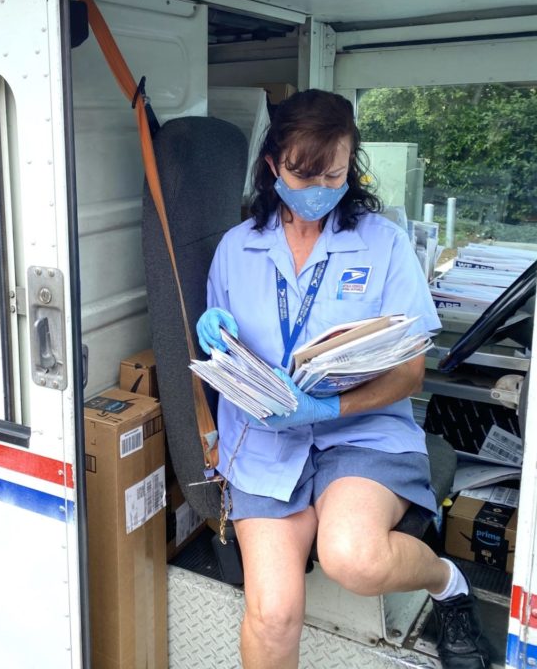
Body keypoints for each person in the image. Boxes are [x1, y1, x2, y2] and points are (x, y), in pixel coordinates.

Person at [196, 90, 491, 669]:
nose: (319, 192)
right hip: (264, 440)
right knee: (273, 614)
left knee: (352, 556)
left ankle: (447, 582)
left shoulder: (383, 244)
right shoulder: (236, 249)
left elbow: (410, 373)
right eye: (303, 176)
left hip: (361, 433)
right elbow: (223, 356)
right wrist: (215, 335)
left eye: (333, 174)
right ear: (272, 166)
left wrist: (326, 410)